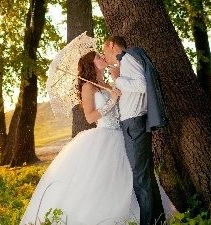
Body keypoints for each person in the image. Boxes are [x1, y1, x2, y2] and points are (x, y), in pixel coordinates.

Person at [19, 51, 141, 225]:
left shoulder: (105, 83)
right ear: (91, 64)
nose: (102, 57)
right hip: (103, 137)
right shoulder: (87, 87)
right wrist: (112, 100)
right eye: (98, 57)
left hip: (120, 135)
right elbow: (90, 117)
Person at [102, 36, 170, 225]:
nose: (105, 56)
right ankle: (158, 220)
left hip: (134, 124)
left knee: (140, 178)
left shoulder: (127, 57)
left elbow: (141, 86)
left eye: (104, 50)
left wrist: (118, 79)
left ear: (112, 45)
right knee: (145, 176)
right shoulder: (127, 61)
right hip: (134, 123)